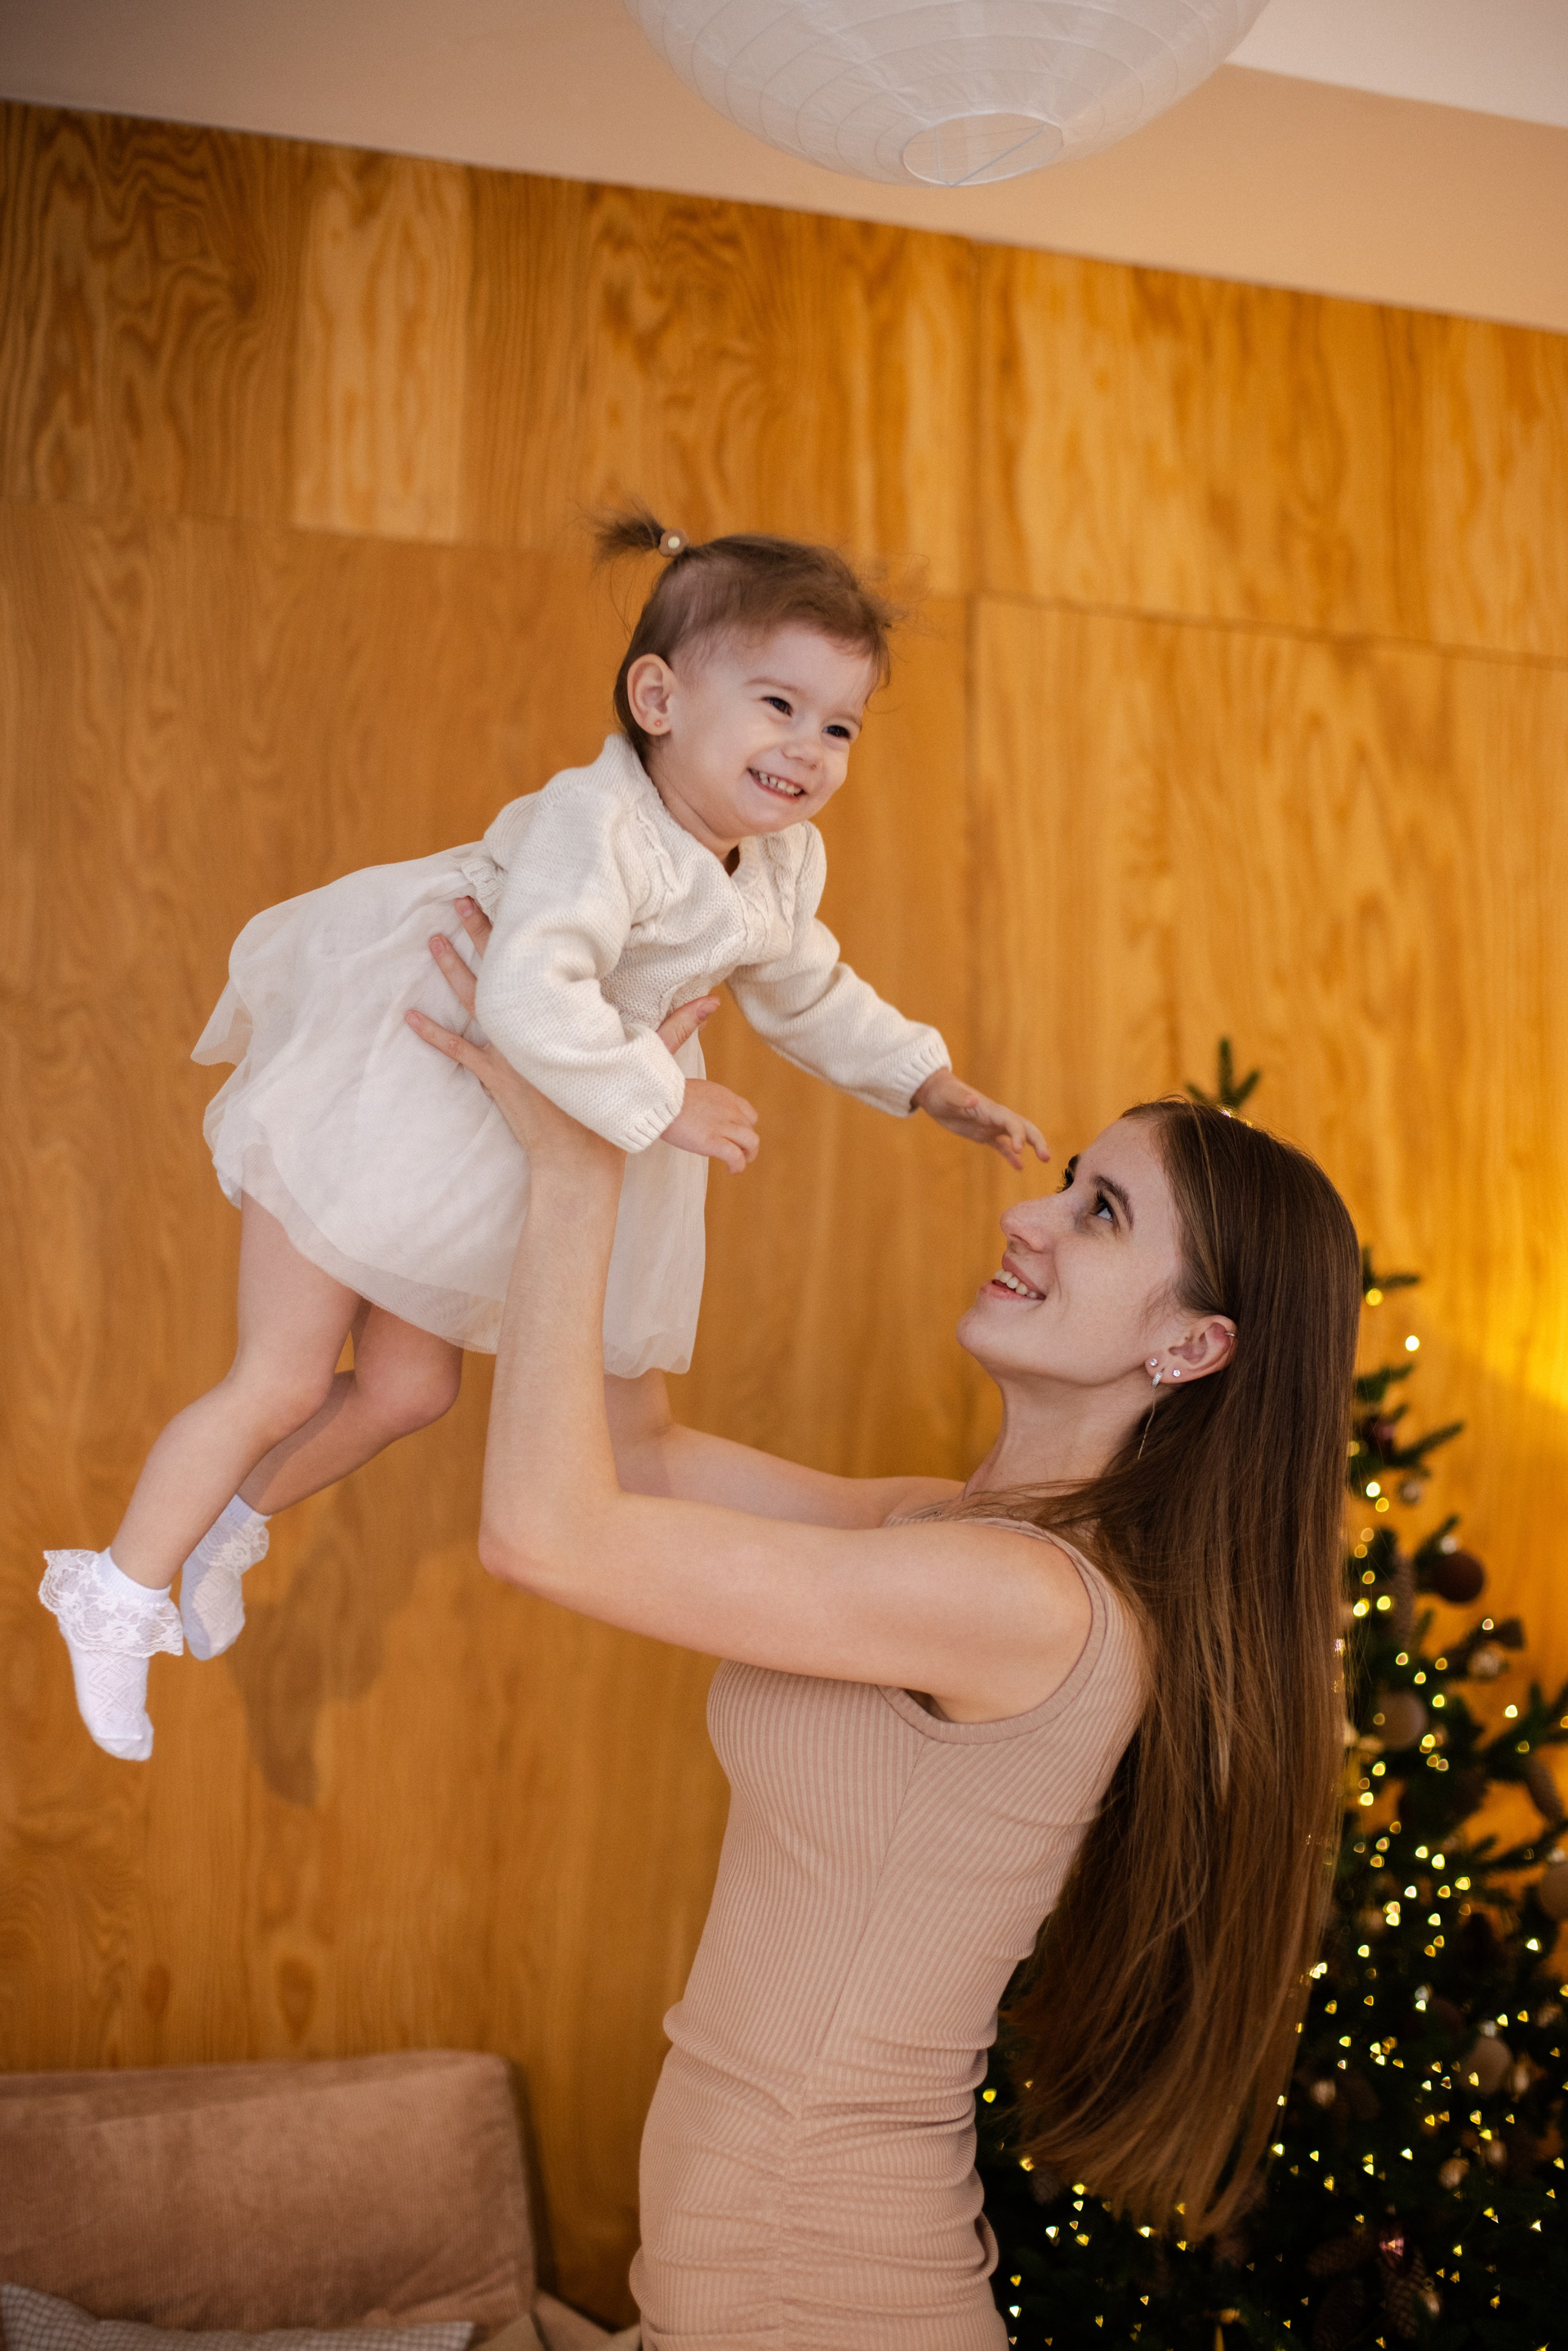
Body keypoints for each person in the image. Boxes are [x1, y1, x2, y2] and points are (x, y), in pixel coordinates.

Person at [407, 914, 1362, 2350]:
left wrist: (571, 1167)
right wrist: (637, 1105)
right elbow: (639, 1454)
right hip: (764, 2275)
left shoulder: (1024, 1604)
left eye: (1101, 1214)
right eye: (1065, 1181)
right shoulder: (945, 1534)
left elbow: (545, 1534)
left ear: (1192, 1346)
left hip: (809, 2288)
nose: (1027, 1218)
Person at [40, 517, 1045, 1761]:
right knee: (284, 1377)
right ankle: (114, 1592)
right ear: (658, 699)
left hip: (501, 1125)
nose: (809, 748)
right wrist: (661, 1100)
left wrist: (924, 1079)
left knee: (411, 1388)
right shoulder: (598, 820)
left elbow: (808, 989)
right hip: (402, 1073)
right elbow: (524, 993)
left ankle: (219, 1530)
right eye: (779, 705)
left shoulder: (778, 863)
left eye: (839, 726)